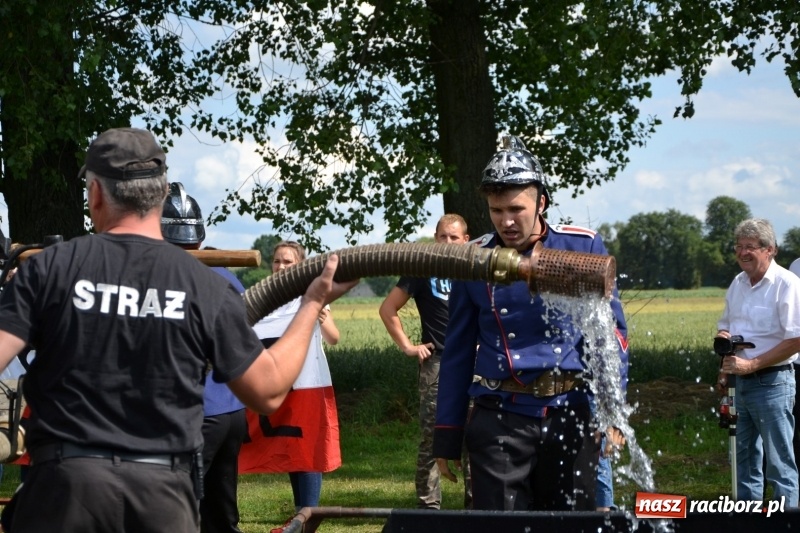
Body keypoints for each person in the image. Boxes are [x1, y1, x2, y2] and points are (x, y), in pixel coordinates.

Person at [0, 127, 357, 531]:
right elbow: (268, 391)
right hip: (161, 497)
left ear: (95, 193)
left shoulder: (48, 269)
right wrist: (312, 304)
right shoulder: (207, 285)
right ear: (160, 196)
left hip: (64, 492)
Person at [432, 135, 629, 511]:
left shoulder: (581, 248)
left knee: (571, 525)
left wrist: (612, 409)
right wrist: (447, 432)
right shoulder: (472, 259)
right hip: (499, 418)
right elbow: (457, 351)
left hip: (570, 414)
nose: (506, 221)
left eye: (516, 209)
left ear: (541, 202)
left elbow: (610, 337)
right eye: (496, 210)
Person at [161, 181, 248, 533]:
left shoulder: (164, 277)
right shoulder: (226, 275)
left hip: (197, 413)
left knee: (177, 512)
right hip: (231, 410)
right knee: (221, 515)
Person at [241, 241, 340, 530]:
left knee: (306, 451)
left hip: (306, 388)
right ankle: (301, 513)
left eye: (288, 262)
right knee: (292, 450)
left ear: (300, 265)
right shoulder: (262, 298)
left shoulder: (312, 297)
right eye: (277, 261)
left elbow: (333, 338)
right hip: (275, 387)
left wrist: (323, 319)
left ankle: (307, 519)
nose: (281, 267)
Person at [379, 214, 470, 510]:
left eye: (454, 237)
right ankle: (428, 509)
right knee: (432, 436)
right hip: (437, 363)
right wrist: (408, 346)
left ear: (465, 240)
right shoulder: (421, 269)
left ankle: (478, 507)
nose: (448, 242)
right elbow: (388, 308)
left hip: (474, 363)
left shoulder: (477, 269)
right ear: (435, 238)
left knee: (475, 436)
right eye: (443, 236)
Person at [717, 218, 800, 505]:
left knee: (779, 465)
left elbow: (796, 339)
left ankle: (786, 522)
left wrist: (752, 365)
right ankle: (748, 522)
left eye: (750, 246)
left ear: (770, 249)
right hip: (739, 384)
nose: (743, 253)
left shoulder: (787, 284)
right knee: (744, 462)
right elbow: (725, 327)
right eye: (739, 246)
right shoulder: (737, 283)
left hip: (773, 383)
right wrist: (725, 363)